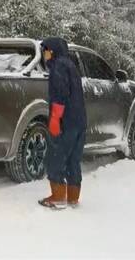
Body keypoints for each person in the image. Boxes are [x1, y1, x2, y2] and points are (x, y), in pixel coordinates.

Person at [38, 37, 87, 209]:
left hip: (65, 120)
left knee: (56, 157)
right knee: (73, 160)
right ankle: (73, 197)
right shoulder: (71, 65)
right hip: (79, 120)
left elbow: (60, 94)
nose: (44, 55)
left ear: (53, 51)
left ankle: (58, 196)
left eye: (46, 51)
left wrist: (55, 119)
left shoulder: (58, 66)